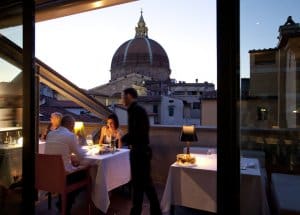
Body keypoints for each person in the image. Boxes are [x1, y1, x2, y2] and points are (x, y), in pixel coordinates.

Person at [121, 88, 162, 215]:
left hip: (139, 152)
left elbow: (137, 132)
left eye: (123, 96)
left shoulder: (135, 110)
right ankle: (153, 211)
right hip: (141, 151)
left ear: (129, 96)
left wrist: (123, 139)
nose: (122, 99)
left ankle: (145, 211)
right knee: (144, 184)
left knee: (141, 184)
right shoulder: (136, 110)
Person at [45, 115, 89, 213]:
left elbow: (59, 153)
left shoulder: (50, 134)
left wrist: (71, 157)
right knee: (85, 174)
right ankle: (65, 205)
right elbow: (81, 156)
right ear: (70, 125)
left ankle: (63, 203)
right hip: (62, 177)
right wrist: (87, 152)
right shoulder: (70, 135)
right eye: (73, 125)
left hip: (48, 176)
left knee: (72, 169)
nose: (73, 128)